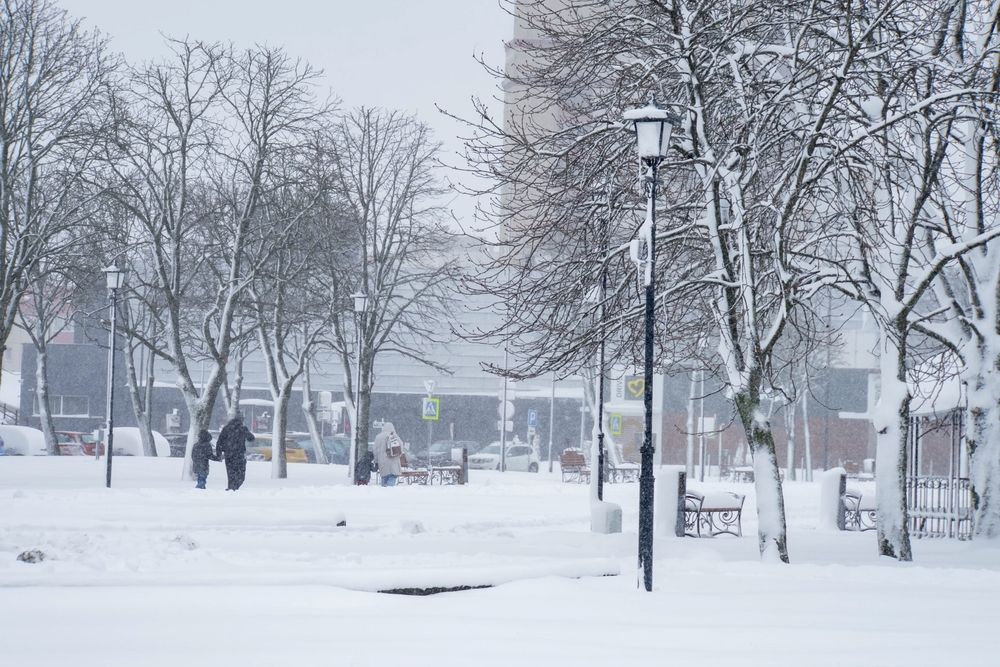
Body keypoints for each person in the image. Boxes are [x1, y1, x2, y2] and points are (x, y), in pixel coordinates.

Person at [215, 413, 255, 491]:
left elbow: (219, 442)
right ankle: (234, 488)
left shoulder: (226, 428)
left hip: (228, 455)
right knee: (241, 475)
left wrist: (219, 454)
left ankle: (231, 488)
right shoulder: (243, 429)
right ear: (242, 420)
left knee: (230, 474)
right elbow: (251, 438)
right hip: (239, 455)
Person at [373, 421, 403, 487]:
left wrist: (376, 460)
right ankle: (389, 489)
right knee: (393, 475)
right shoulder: (394, 436)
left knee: (384, 476)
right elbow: (401, 447)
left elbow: (375, 450)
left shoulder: (378, 437)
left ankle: (384, 489)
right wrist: (398, 456)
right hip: (393, 460)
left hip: (382, 461)